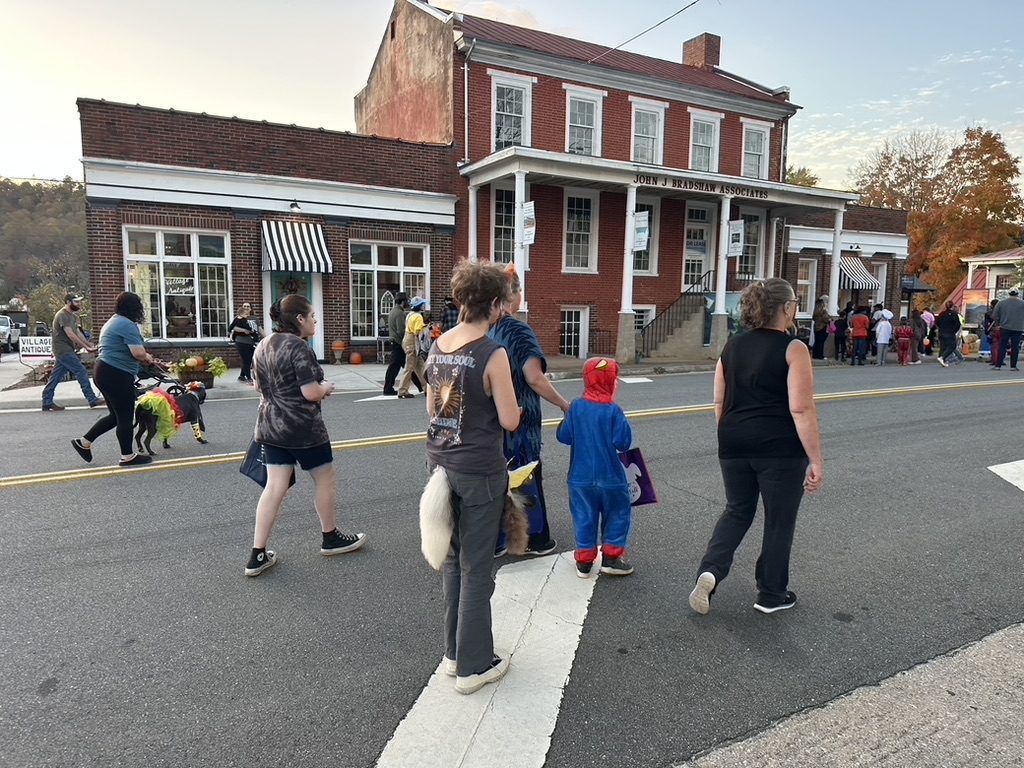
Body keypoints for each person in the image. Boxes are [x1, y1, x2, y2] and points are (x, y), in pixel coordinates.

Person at [687, 278, 823, 616]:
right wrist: (816, 459)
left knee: (737, 510)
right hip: (779, 448)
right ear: (787, 308)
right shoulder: (794, 348)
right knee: (779, 520)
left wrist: (733, 433)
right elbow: (801, 409)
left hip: (733, 440)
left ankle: (711, 570)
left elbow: (719, 400)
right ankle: (771, 594)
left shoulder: (732, 346)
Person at [423, 260, 521, 694]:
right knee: (477, 567)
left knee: (453, 561)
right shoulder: (492, 353)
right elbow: (510, 419)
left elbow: (432, 409)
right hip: (480, 469)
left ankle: (454, 653)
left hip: (440, 464)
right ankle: (474, 666)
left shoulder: (438, 345)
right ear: (495, 304)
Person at [245, 294, 366, 577]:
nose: (315, 322)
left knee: (274, 487)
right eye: (312, 317)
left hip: (269, 426)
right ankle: (330, 537)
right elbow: (310, 392)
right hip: (303, 429)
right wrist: (326, 387)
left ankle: (257, 554)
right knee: (325, 478)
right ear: (299, 319)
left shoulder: (263, 344)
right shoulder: (299, 347)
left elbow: (257, 386)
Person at [490, 265, 571, 556]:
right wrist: (564, 404)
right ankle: (535, 539)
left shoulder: (488, 328)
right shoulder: (518, 330)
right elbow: (534, 378)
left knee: (500, 478)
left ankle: (498, 540)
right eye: (520, 290)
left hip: (494, 418)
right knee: (525, 476)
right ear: (513, 295)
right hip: (521, 419)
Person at [556, 357, 634, 577]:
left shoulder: (576, 407)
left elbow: (564, 436)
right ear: (611, 382)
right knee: (618, 513)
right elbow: (623, 443)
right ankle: (611, 558)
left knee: (583, 516)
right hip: (611, 478)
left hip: (580, 478)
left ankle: (584, 561)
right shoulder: (614, 411)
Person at [70, 291, 165, 467]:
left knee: (116, 416)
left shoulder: (113, 321)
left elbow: (127, 350)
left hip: (103, 371)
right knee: (126, 416)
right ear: (134, 308)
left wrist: (146, 357)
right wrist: (147, 357)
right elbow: (137, 352)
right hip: (116, 374)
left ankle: (84, 442)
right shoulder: (127, 324)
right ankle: (127, 456)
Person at [42, 293, 103, 411]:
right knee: (81, 371)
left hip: (67, 349)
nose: (79, 304)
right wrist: (86, 347)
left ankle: (47, 401)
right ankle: (92, 399)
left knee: (56, 376)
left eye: (79, 301)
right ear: (68, 302)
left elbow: (78, 333)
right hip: (62, 350)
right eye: (76, 302)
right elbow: (70, 334)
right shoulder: (62, 315)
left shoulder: (73, 316)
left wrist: (89, 345)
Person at [382, 293, 422, 396]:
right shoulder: (400, 313)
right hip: (399, 343)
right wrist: (406, 341)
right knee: (405, 367)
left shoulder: (393, 311)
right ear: (402, 301)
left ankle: (420, 386)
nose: (407, 303)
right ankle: (389, 388)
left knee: (409, 366)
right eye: (406, 301)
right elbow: (401, 330)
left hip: (396, 342)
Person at [398, 297, 430, 398]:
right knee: (409, 367)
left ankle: (428, 389)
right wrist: (426, 328)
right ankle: (402, 391)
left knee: (420, 366)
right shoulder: (418, 316)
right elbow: (417, 332)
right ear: (419, 306)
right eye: (422, 304)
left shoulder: (410, 314)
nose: (423, 306)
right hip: (413, 341)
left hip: (407, 340)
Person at [228, 302, 264, 383]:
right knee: (247, 359)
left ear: (250, 309)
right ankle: (249, 378)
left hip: (252, 342)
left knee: (249, 359)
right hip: (241, 342)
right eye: (244, 306)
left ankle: (241, 376)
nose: (246, 308)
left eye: (248, 306)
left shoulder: (255, 318)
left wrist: (267, 338)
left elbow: (260, 329)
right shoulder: (239, 318)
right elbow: (233, 327)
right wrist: (244, 330)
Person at [992, 289, 1024, 371]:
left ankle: (998, 365)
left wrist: (998, 324)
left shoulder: (1001, 303)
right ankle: (1013, 366)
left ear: (1009, 294)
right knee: (1015, 347)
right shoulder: (1022, 303)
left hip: (1004, 327)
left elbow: (994, 315)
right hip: (1018, 328)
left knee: (1002, 346)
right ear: (1017, 294)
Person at [936, 301, 964, 367]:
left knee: (943, 347)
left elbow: (937, 322)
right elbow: (958, 324)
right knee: (952, 346)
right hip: (950, 333)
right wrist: (954, 331)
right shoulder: (954, 314)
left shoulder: (941, 314)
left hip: (941, 332)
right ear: (952, 306)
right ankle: (942, 357)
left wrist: (941, 328)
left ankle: (943, 360)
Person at [983, 298, 1004, 367]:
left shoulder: (988, 313)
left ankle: (994, 360)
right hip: (1002, 330)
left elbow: (986, 324)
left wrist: (986, 331)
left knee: (994, 345)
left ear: (992, 305)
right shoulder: (1002, 313)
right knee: (1001, 345)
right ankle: (1001, 360)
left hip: (993, 330)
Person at [811, 295, 830, 360]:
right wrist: (830, 319)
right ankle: (820, 356)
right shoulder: (823, 311)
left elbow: (813, 318)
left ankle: (815, 355)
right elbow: (826, 319)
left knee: (817, 341)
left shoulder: (815, 311)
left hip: (816, 327)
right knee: (821, 342)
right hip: (822, 327)